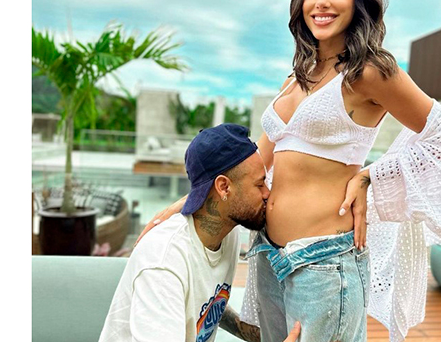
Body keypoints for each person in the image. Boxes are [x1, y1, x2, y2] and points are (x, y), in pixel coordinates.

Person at [141, 0, 441, 342]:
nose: (321, 2)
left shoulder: (369, 72)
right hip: (269, 255)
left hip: (324, 265)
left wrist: (370, 177)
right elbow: (258, 158)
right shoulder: (297, 75)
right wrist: (188, 201)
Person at [99, 124, 301, 342]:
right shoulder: (164, 262)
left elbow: (205, 306)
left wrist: (258, 337)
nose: (267, 193)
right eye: (260, 184)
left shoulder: (226, 233)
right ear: (223, 187)